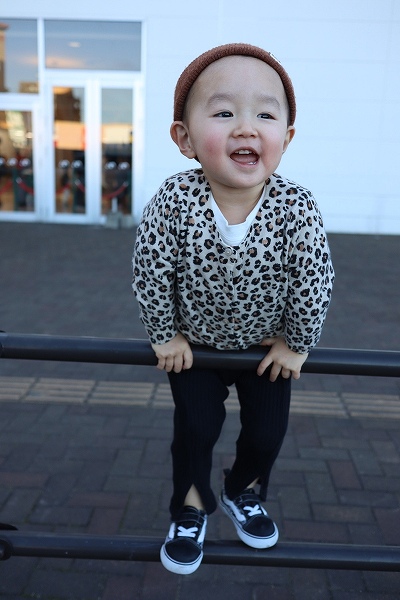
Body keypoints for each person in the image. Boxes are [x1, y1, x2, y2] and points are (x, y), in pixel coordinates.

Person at [132, 43, 334, 575]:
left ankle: (243, 489)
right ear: (185, 138)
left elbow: (314, 278)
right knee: (196, 429)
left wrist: (297, 341)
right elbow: (150, 267)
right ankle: (191, 508)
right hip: (193, 347)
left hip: (266, 348)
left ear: (285, 139)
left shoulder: (296, 207)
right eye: (223, 113)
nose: (246, 127)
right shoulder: (175, 200)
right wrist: (163, 333)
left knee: (267, 432)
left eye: (265, 115)